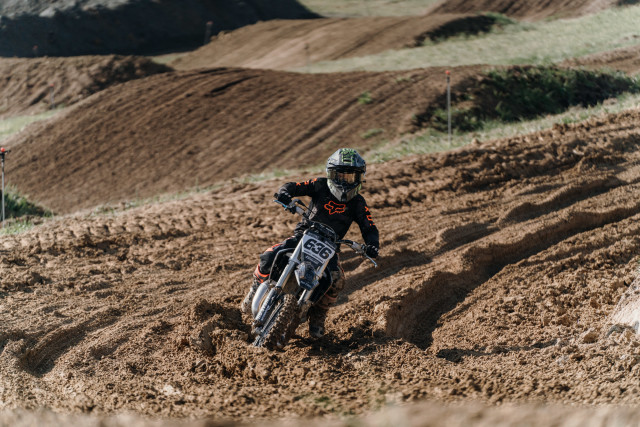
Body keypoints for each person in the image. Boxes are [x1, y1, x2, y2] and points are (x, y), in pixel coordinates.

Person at [240, 148, 380, 338]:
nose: (345, 182)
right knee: (270, 254)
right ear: (331, 174)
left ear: (359, 178)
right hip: (304, 235)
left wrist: (372, 245)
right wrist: (285, 194)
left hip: (330, 247)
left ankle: (318, 315)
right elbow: (293, 186)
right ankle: (255, 288)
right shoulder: (319, 185)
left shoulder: (358, 203)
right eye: (340, 176)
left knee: (336, 280)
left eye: (350, 177)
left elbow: (369, 226)